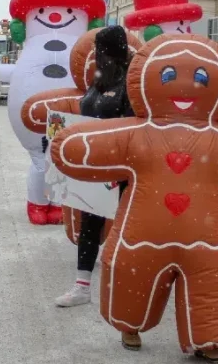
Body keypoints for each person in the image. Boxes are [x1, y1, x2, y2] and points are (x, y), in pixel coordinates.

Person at [54, 26, 135, 311]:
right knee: (90, 223)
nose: (96, 56)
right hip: (94, 163)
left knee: (128, 227)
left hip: (122, 166)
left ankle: (130, 289)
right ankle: (82, 286)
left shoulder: (131, 80)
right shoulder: (100, 79)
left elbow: (133, 123)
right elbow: (86, 111)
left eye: (101, 50)